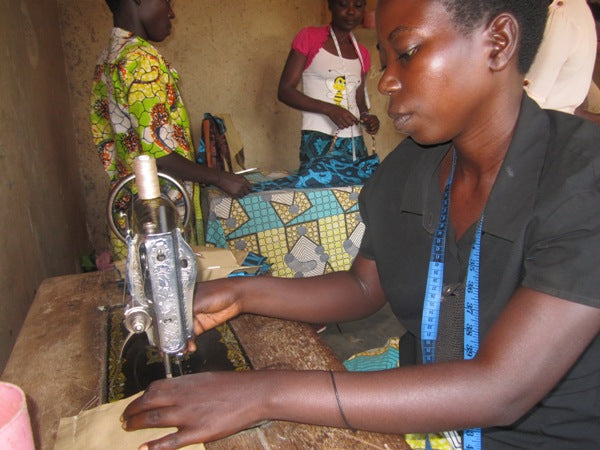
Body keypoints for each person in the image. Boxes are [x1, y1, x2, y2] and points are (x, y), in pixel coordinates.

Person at [122, 1, 600, 449]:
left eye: (407, 53)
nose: (387, 81)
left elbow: (501, 387)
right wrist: (240, 294)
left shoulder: (580, 180)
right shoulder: (407, 171)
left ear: (498, 42)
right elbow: (363, 285)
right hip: (430, 423)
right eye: (384, 59)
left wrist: (264, 392)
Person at [90, 0, 252, 259]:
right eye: (166, 1)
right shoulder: (140, 61)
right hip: (159, 218)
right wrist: (221, 178)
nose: (171, 13)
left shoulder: (110, 56)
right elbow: (160, 155)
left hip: (131, 206)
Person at [277, 0, 380, 168]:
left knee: (357, 192)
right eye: (343, 4)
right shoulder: (309, 38)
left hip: (355, 141)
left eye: (359, 6)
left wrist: (367, 117)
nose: (351, 12)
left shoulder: (362, 53)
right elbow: (285, 90)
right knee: (319, 191)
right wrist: (330, 109)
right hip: (319, 138)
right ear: (330, 5)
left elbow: (358, 99)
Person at [524, 0, 597, 114]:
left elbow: (530, 97)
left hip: (542, 120)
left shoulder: (561, 16)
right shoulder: (577, 8)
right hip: (555, 118)